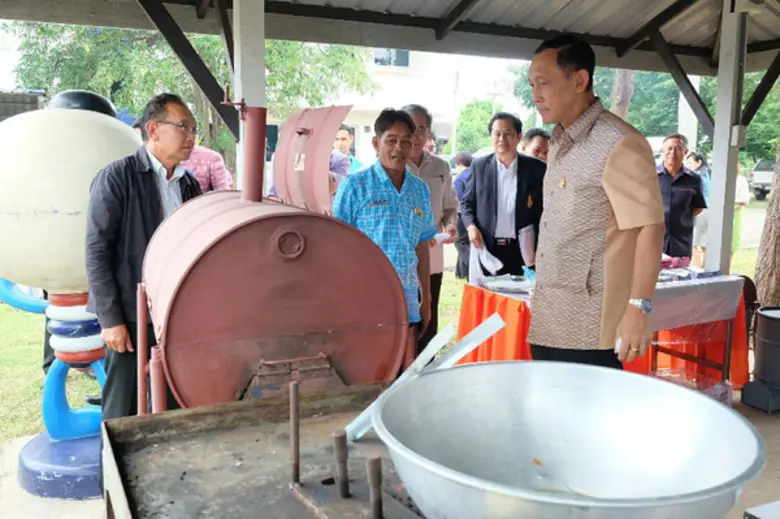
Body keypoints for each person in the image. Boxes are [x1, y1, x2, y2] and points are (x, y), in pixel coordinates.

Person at [527, 34, 665, 367]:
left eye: (543, 83)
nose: (536, 96)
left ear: (580, 80)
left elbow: (650, 226)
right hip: (550, 316)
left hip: (591, 327)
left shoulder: (619, 143)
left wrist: (639, 307)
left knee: (584, 415)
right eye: (531, 85)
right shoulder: (559, 140)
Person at [86, 93, 202, 426]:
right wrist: (110, 319)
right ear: (153, 129)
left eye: (194, 130)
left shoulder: (188, 184)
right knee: (123, 408)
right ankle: (112, 476)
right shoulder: (117, 178)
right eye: (183, 127)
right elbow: (96, 250)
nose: (191, 137)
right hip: (130, 313)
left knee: (178, 399)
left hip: (175, 313)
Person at [333, 109, 437, 367]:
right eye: (391, 140)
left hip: (409, 302)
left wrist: (427, 299)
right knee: (371, 373)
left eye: (406, 141)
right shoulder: (355, 187)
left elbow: (422, 246)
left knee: (407, 373)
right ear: (377, 143)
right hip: (366, 303)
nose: (398, 148)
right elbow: (338, 248)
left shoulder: (419, 189)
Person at [401, 104, 458, 354]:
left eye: (421, 129)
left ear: (428, 133)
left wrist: (451, 226)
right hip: (400, 257)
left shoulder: (440, 167)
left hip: (432, 255)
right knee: (401, 316)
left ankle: (426, 367)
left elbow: (449, 206)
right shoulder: (392, 165)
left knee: (429, 312)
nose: (415, 135)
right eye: (410, 128)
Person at [460, 112, 545, 276]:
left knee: (520, 299)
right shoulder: (480, 166)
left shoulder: (536, 169)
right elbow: (466, 204)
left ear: (519, 137)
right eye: (497, 133)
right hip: (488, 248)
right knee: (490, 299)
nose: (501, 139)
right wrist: (471, 227)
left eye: (508, 133)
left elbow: (544, 209)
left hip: (523, 250)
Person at [658, 134, 707, 258]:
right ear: (662, 151)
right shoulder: (650, 176)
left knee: (680, 275)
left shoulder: (694, 179)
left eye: (678, 148)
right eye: (669, 148)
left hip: (681, 242)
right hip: (654, 240)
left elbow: (698, 208)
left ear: (685, 152)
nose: (673, 152)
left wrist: (679, 218)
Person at [686, 151, 711, 267]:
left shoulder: (697, 177)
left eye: (691, 163)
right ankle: (706, 266)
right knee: (705, 242)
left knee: (695, 242)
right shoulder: (709, 173)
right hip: (710, 210)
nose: (689, 166)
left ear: (699, 162)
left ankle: (696, 268)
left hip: (700, 210)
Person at [453, 152, 473, 279]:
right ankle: (461, 272)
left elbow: (457, 199)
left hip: (462, 216)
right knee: (466, 242)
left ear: (460, 164)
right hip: (475, 216)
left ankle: (473, 266)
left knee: (460, 242)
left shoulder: (459, 179)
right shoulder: (476, 175)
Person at [732, 164, 751, 263]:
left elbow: (745, 200)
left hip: (736, 211)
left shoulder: (741, 180)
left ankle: (728, 265)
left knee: (733, 240)